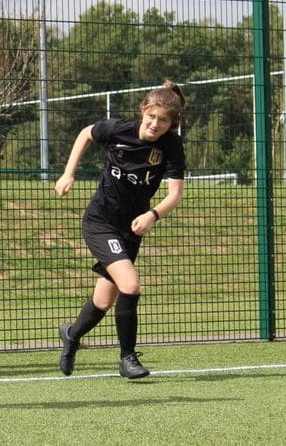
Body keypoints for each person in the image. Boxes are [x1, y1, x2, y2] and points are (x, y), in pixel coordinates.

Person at [53, 80, 186, 380]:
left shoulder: (171, 146)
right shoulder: (118, 129)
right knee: (131, 286)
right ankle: (127, 358)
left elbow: (175, 194)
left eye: (163, 120)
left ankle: (71, 334)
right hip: (101, 223)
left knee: (103, 301)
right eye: (151, 116)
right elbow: (86, 133)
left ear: (171, 123)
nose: (155, 124)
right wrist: (68, 173)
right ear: (143, 111)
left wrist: (153, 215)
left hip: (131, 229)